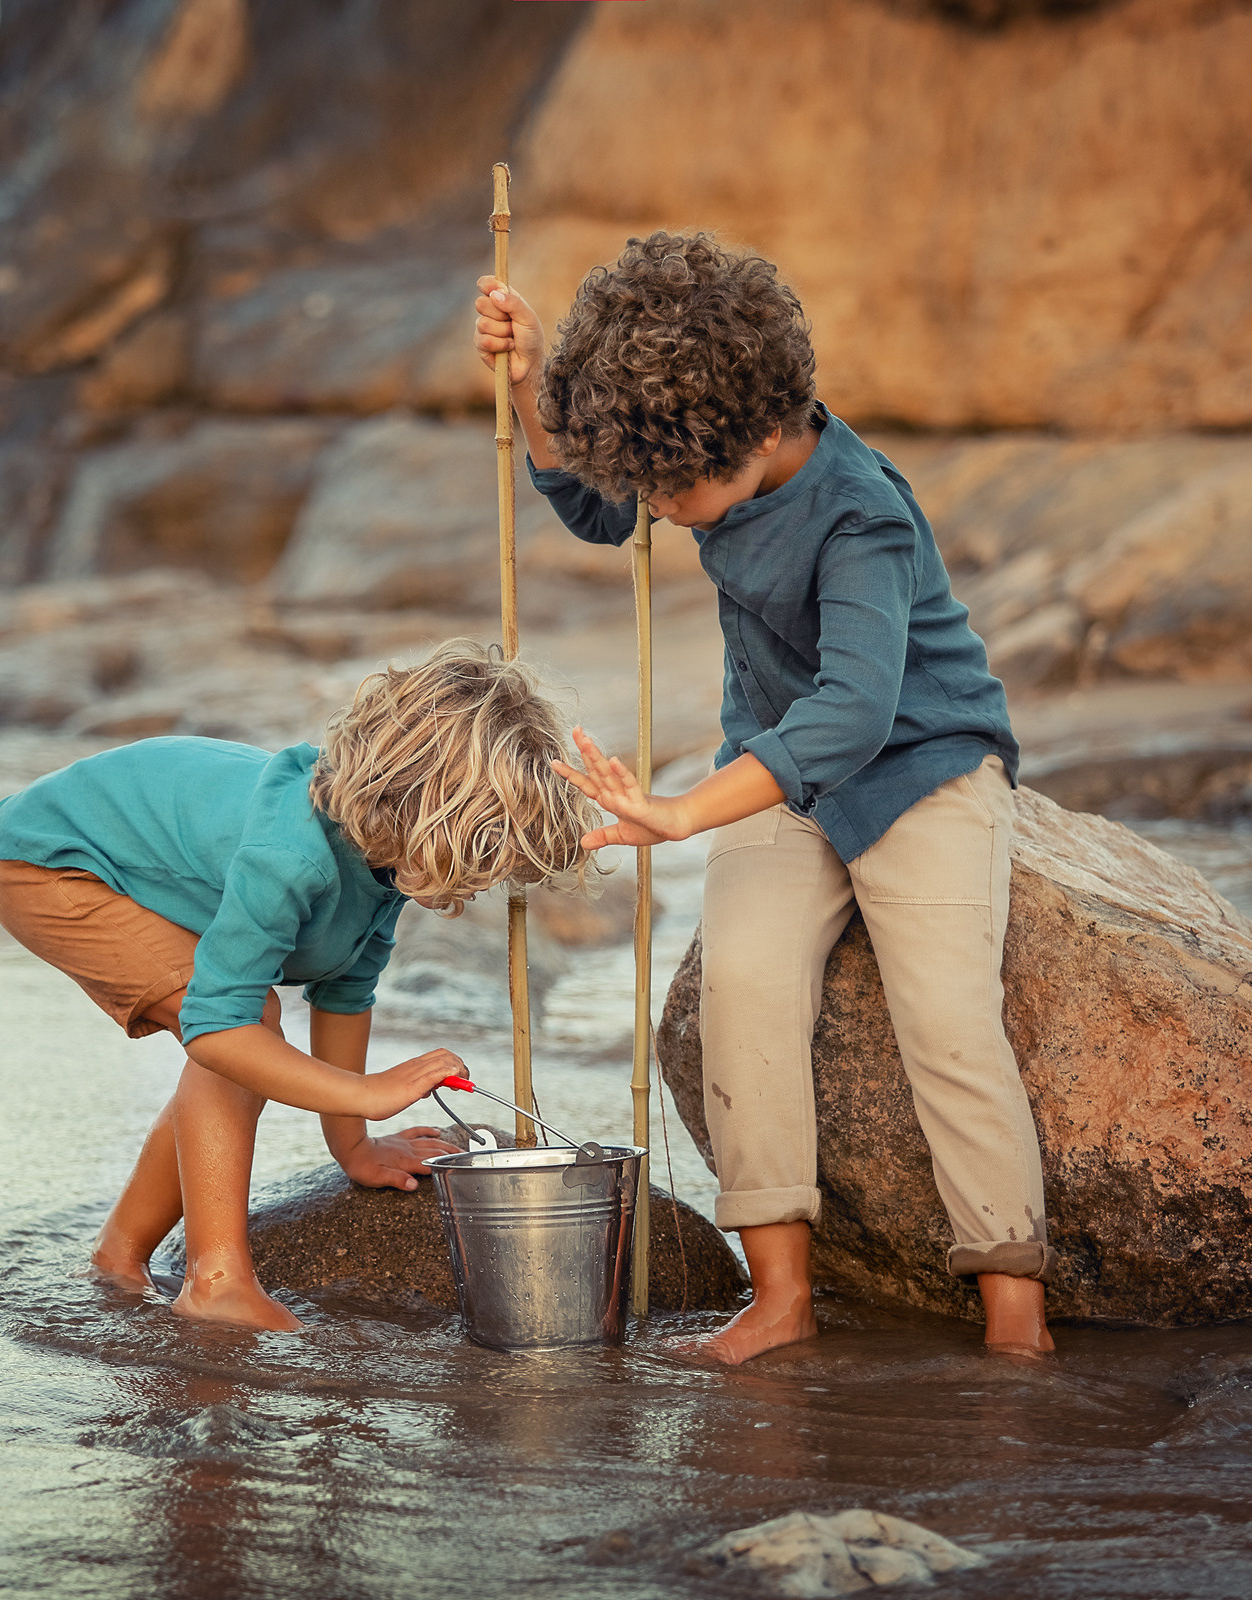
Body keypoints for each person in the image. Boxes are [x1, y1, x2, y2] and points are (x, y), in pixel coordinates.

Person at [473, 232, 1054, 1362]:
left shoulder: (859, 514)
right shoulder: (691, 460)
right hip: (782, 781)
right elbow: (597, 510)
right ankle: (779, 1295)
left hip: (920, 769)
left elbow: (853, 712)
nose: (669, 510)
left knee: (944, 1021)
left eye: (680, 490)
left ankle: (1012, 1307)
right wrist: (531, 385)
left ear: (759, 431)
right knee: (740, 984)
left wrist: (685, 812)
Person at [0, 640, 600, 1332]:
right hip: (54, 867)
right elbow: (219, 1029)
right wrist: (364, 1092)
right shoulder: (290, 856)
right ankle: (214, 1280)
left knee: (243, 1030)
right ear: (410, 803)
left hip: (133, 860)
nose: (480, 881)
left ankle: (118, 1258)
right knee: (242, 1026)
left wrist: (353, 1145)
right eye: (475, 852)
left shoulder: (384, 863)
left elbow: (344, 995)